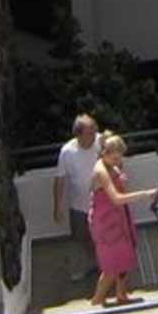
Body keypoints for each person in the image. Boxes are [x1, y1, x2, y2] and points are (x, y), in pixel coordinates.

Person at [88, 132, 158, 307]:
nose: (118, 162)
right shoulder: (100, 170)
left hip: (119, 217)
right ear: (105, 153)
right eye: (115, 158)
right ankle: (97, 301)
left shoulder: (113, 165)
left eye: (119, 158)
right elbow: (116, 198)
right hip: (105, 221)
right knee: (111, 266)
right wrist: (145, 194)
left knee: (125, 257)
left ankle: (121, 294)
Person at [52, 115, 101, 281]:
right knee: (81, 238)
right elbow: (60, 179)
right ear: (78, 135)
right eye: (90, 133)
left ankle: (106, 266)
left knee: (103, 235)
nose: (94, 135)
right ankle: (91, 264)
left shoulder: (101, 142)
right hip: (79, 206)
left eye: (94, 131)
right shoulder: (67, 152)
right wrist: (57, 207)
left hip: (101, 203)